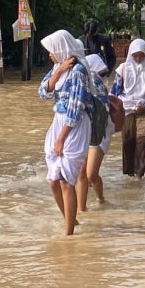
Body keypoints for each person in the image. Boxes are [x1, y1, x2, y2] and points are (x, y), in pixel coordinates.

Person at [38, 30, 97, 235]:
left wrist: (61, 139)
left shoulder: (78, 71)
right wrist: (58, 71)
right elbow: (43, 93)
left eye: (52, 50)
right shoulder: (60, 67)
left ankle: (68, 233)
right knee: (53, 180)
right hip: (59, 121)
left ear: (61, 49)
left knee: (64, 179)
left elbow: (76, 108)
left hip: (75, 126)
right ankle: (70, 220)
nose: (49, 54)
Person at [110, 39, 145, 179]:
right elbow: (114, 92)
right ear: (130, 54)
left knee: (143, 141)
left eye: (141, 55)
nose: (138, 58)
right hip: (126, 109)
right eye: (135, 55)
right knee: (128, 141)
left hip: (144, 109)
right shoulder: (122, 69)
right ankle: (129, 174)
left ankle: (140, 175)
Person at [76, 53, 114, 211]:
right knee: (81, 173)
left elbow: (100, 110)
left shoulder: (94, 81)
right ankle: (81, 209)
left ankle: (101, 198)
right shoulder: (83, 79)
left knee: (90, 173)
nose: (103, 76)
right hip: (83, 129)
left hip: (100, 130)